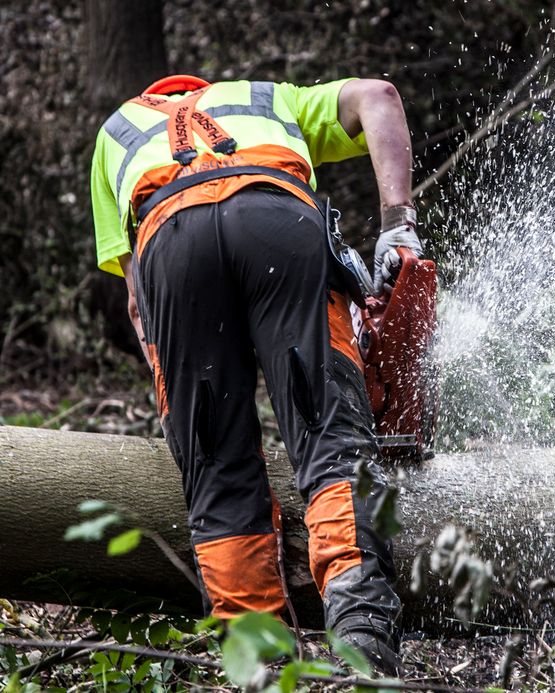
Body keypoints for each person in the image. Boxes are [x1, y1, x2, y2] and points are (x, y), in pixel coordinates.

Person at [89, 74, 423, 675]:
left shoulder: (115, 134)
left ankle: (265, 666)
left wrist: (188, 410)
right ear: (209, 88)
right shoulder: (267, 98)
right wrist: (397, 224)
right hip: (279, 220)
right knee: (331, 442)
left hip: (170, 238)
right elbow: (381, 97)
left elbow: (140, 305)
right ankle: (364, 641)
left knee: (217, 469)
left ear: (156, 95)